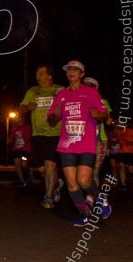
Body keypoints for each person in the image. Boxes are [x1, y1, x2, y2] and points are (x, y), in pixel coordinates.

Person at [47, 61, 110, 227]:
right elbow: (51, 119)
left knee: (84, 181)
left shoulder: (90, 92)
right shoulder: (62, 95)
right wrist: (55, 115)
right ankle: (84, 214)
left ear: (82, 74)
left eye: (75, 70)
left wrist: (97, 115)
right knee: (71, 182)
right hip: (66, 145)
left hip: (86, 144)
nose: (71, 72)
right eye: (69, 70)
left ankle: (99, 199)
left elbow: (105, 115)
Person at [20, 64, 63, 208]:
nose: (37, 76)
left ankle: (48, 197)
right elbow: (21, 108)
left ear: (50, 75)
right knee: (43, 170)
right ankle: (56, 184)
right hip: (38, 134)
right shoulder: (33, 91)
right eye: (37, 74)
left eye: (41, 74)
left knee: (51, 165)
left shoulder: (59, 90)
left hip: (56, 133)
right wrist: (27, 108)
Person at [83, 77, 114, 187]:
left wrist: (107, 120)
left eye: (91, 86)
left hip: (99, 141)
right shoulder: (79, 100)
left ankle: (92, 198)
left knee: (94, 171)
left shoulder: (103, 102)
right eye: (86, 85)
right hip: (82, 141)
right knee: (83, 170)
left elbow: (109, 120)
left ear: (96, 88)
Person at [10, 113, 33, 186]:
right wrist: (9, 140)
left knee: (24, 164)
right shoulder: (14, 128)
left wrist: (28, 139)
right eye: (17, 118)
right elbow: (11, 137)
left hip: (25, 149)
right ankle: (22, 180)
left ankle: (29, 172)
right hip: (16, 149)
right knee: (17, 164)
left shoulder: (28, 127)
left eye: (19, 118)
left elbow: (33, 137)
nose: (18, 119)